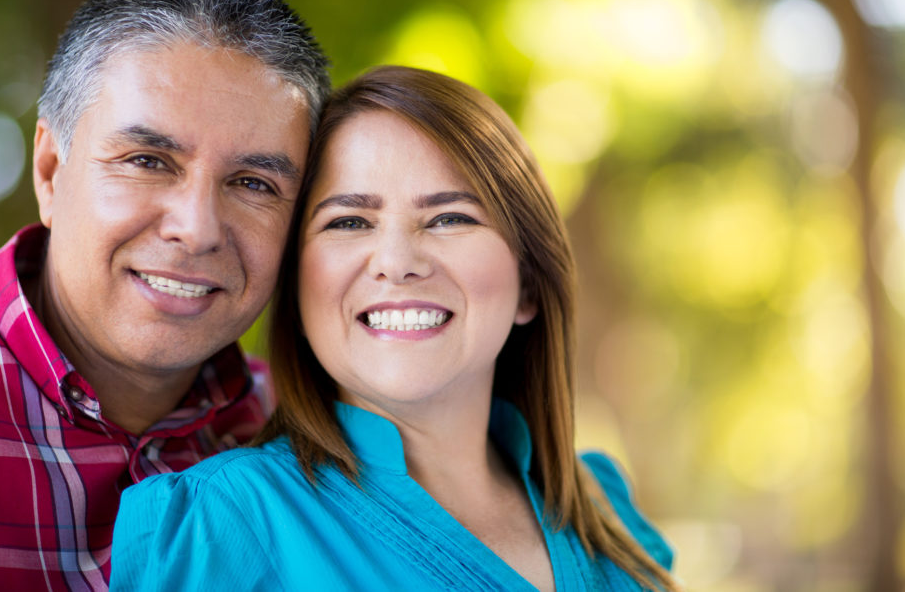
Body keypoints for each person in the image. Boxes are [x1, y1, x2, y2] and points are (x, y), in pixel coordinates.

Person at [111, 66, 677, 591]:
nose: (397, 260)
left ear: (528, 284)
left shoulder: (606, 511)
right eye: (350, 221)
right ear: (298, 287)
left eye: (450, 218)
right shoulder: (221, 522)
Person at [0, 0, 330, 590]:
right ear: (49, 171)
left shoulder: (304, 433)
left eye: (254, 184)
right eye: (147, 161)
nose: (197, 228)